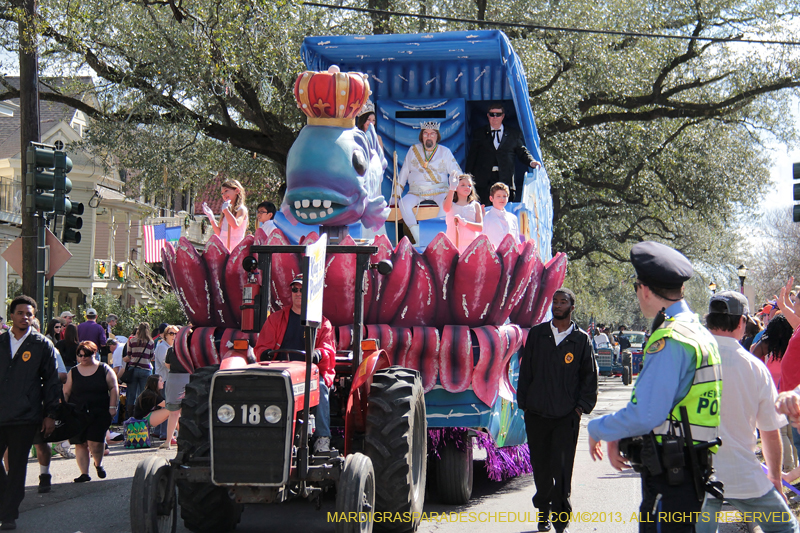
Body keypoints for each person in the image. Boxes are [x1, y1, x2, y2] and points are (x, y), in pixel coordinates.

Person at [587, 241, 723, 533]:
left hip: (671, 479)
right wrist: (621, 431)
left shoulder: (670, 338)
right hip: (691, 469)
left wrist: (598, 428)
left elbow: (646, 415)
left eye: (636, 287)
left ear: (645, 289)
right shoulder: (698, 332)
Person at [697, 291, 798, 533]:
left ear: (708, 320)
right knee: (785, 528)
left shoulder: (688, 359)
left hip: (695, 474)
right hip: (743, 474)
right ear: (742, 322)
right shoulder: (754, 367)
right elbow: (770, 432)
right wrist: (775, 479)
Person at [517, 288, 598, 533]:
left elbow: (589, 377)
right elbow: (526, 371)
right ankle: (543, 511)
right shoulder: (538, 334)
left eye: (563, 302)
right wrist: (525, 404)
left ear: (572, 307)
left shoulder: (581, 340)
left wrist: (580, 408)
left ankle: (561, 519)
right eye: (555, 301)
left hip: (566, 417)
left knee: (562, 470)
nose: (558, 305)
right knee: (541, 469)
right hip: (537, 414)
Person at [254, 275, 336, 453]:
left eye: (303, 289)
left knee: (321, 387)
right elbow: (261, 347)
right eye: (295, 289)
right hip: (280, 372)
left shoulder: (322, 323)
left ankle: (322, 438)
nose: (298, 293)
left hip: (308, 374)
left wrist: (318, 353)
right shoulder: (275, 319)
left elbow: (328, 349)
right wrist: (265, 354)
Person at [0, 296, 61, 530]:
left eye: (29, 314)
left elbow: (52, 381)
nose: (24, 317)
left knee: (17, 467)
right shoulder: (1, 341)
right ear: (11, 316)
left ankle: (8, 515)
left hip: (26, 416)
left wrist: (50, 414)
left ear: (34, 317)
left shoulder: (42, 344)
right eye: (20, 313)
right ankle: (5, 499)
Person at [395, 121, 462, 244]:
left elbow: (457, 172)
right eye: (426, 133)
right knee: (403, 203)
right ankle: (418, 238)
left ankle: (435, 238)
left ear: (437, 136)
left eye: (432, 134)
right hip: (417, 191)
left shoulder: (445, 151)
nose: (429, 136)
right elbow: (404, 172)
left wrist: (457, 181)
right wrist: (396, 195)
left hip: (439, 190)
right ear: (422, 136)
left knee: (446, 205)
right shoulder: (413, 150)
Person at [63, 341, 118, 483]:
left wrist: (112, 407)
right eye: (80, 355)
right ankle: (84, 473)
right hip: (78, 412)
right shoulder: (73, 371)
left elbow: (113, 388)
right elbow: (66, 392)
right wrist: (63, 409)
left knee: (95, 442)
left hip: (99, 411)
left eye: (86, 355)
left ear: (94, 354)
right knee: (80, 443)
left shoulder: (104, 369)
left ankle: (98, 464)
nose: (82, 358)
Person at [465, 102, 541, 204]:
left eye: (498, 114)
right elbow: (472, 157)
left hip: (505, 180)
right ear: (488, 116)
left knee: (504, 209)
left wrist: (532, 162)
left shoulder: (513, 134)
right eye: (492, 114)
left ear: (503, 116)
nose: (495, 117)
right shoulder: (479, 133)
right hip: (483, 182)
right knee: (484, 209)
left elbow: (522, 152)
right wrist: (468, 178)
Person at [202, 178, 248, 252]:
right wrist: (211, 217)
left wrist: (226, 211)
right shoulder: (226, 212)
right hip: (224, 250)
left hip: (236, 251)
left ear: (237, 191)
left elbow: (235, 225)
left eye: (226, 191)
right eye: (222, 193)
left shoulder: (241, 209)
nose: (224, 195)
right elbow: (220, 233)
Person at [443, 173, 483, 253]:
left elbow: (480, 227)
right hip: (452, 247)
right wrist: (452, 189)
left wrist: (465, 223)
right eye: (463, 185)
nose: (467, 187)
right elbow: (446, 208)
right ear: (456, 187)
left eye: (469, 185)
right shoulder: (451, 203)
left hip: (470, 247)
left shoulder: (475, 205)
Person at [123, 322, 156, 414]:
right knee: (143, 394)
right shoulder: (150, 342)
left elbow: (129, 355)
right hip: (145, 369)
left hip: (133, 369)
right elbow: (151, 356)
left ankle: (130, 415)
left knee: (131, 394)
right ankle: (141, 413)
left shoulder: (132, 340)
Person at [163, 340, 190, 450]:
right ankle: (187, 441)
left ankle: (168, 441)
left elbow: (167, 365)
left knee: (173, 413)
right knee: (187, 413)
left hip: (173, 379)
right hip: (188, 378)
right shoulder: (190, 350)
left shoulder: (171, 350)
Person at [133, 375, 171, 448]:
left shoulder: (152, 392)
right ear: (154, 383)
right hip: (143, 420)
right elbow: (167, 405)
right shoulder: (150, 394)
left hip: (145, 418)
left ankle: (174, 435)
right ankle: (179, 435)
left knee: (174, 411)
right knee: (172, 410)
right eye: (160, 381)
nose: (163, 382)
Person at [482, 182, 520, 249]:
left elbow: (516, 241)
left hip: (509, 254)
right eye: (498, 196)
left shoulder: (513, 218)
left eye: (504, 196)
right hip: (492, 254)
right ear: (491, 198)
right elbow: (481, 240)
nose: (502, 199)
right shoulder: (485, 217)